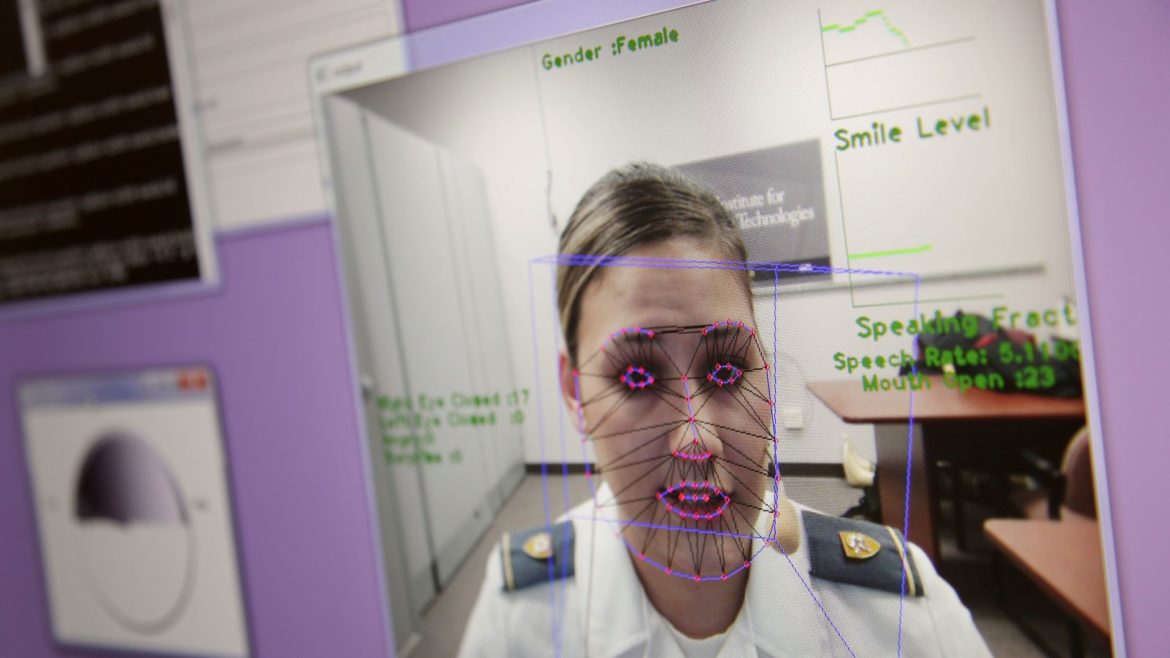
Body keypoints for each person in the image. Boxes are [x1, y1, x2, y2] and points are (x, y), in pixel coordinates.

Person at [459, 163, 990, 657]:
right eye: (637, 377)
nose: (699, 440)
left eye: (727, 372)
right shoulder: (520, 624)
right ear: (575, 393)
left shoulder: (898, 618)